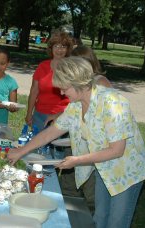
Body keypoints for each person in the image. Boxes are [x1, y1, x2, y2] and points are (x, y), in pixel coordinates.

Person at [8, 56, 145, 228]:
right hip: (104, 167)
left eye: (64, 88)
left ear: (78, 84)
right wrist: (21, 151)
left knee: (116, 223)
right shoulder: (76, 106)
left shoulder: (112, 103)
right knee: (100, 218)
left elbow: (117, 150)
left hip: (127, 172)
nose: (61, 93)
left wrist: (77, 161)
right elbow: (50, 133)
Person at [56, 45, 113, 214]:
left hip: (95, 151)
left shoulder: (100, 83)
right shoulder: (77, 89)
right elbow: (75, 110)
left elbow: (101, 116)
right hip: (78, 144)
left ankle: (88, 217)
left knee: (92, 194)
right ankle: (67, 215)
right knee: (68, 184)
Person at [25, 31, 73, 132]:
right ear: (51, 48)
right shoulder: (42, 66)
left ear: (68, 49)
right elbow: (34, 91)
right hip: (39, 115)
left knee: (57, 147)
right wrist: (29, 113)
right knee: (36, 145)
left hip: (62, 115)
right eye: (56, 46)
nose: (59, 50)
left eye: (63, 46)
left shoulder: (72, 69)